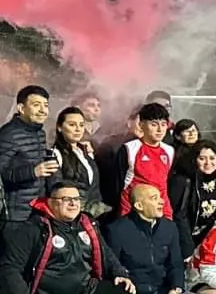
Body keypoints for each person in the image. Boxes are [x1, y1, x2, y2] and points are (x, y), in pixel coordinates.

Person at [0, 180, 135, 294]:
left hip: (87, 289)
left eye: (76, 199)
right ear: (51, 203)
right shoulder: (34, 228)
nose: (73, 203)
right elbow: (10, 268)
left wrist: (120, 273)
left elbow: (107, 254)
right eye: (66, 199)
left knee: (125, 290)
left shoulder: (88, 224)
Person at [107, 184, 184, 294]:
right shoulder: (116, 230)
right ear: (139, 205)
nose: (162, 202)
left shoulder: (170, 227)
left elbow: (176, 264)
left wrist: (176, 288)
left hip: (165, 290)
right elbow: (112, 267)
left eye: (160, 197)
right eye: (154, 198)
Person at [168, 140, 216, 260]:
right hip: (185, 236)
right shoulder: (182, 180)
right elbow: (179, 216)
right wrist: (188, 250)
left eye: (212, 158)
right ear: (194, 160)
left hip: (210, 235)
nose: (208, 163)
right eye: (202, 158)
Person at [0, 84, 55, 222]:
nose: (43, 110)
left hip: (39, 208)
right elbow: (1, 173)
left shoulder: (40, 133)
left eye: (46, 105)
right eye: (37, 105)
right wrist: (33, 171)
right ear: (21, 108)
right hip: (15, 213)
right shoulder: (8, 134)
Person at [48, 105, 107, 219]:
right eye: (72, 125)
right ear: (59, 127)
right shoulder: (54, 154)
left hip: (93, 215)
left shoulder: (85, 153)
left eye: (81, 125)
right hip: (70, 215)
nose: (78, 129)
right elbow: (55, 188)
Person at [117, 103, 174, 219]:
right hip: (133, 211)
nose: (159, 130)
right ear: (141, 124)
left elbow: (164, 184)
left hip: (161, 210)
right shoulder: (129, 149)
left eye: (163, 125)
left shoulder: (169, 151)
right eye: (154, 125)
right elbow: (119, 185)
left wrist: (167, 215)